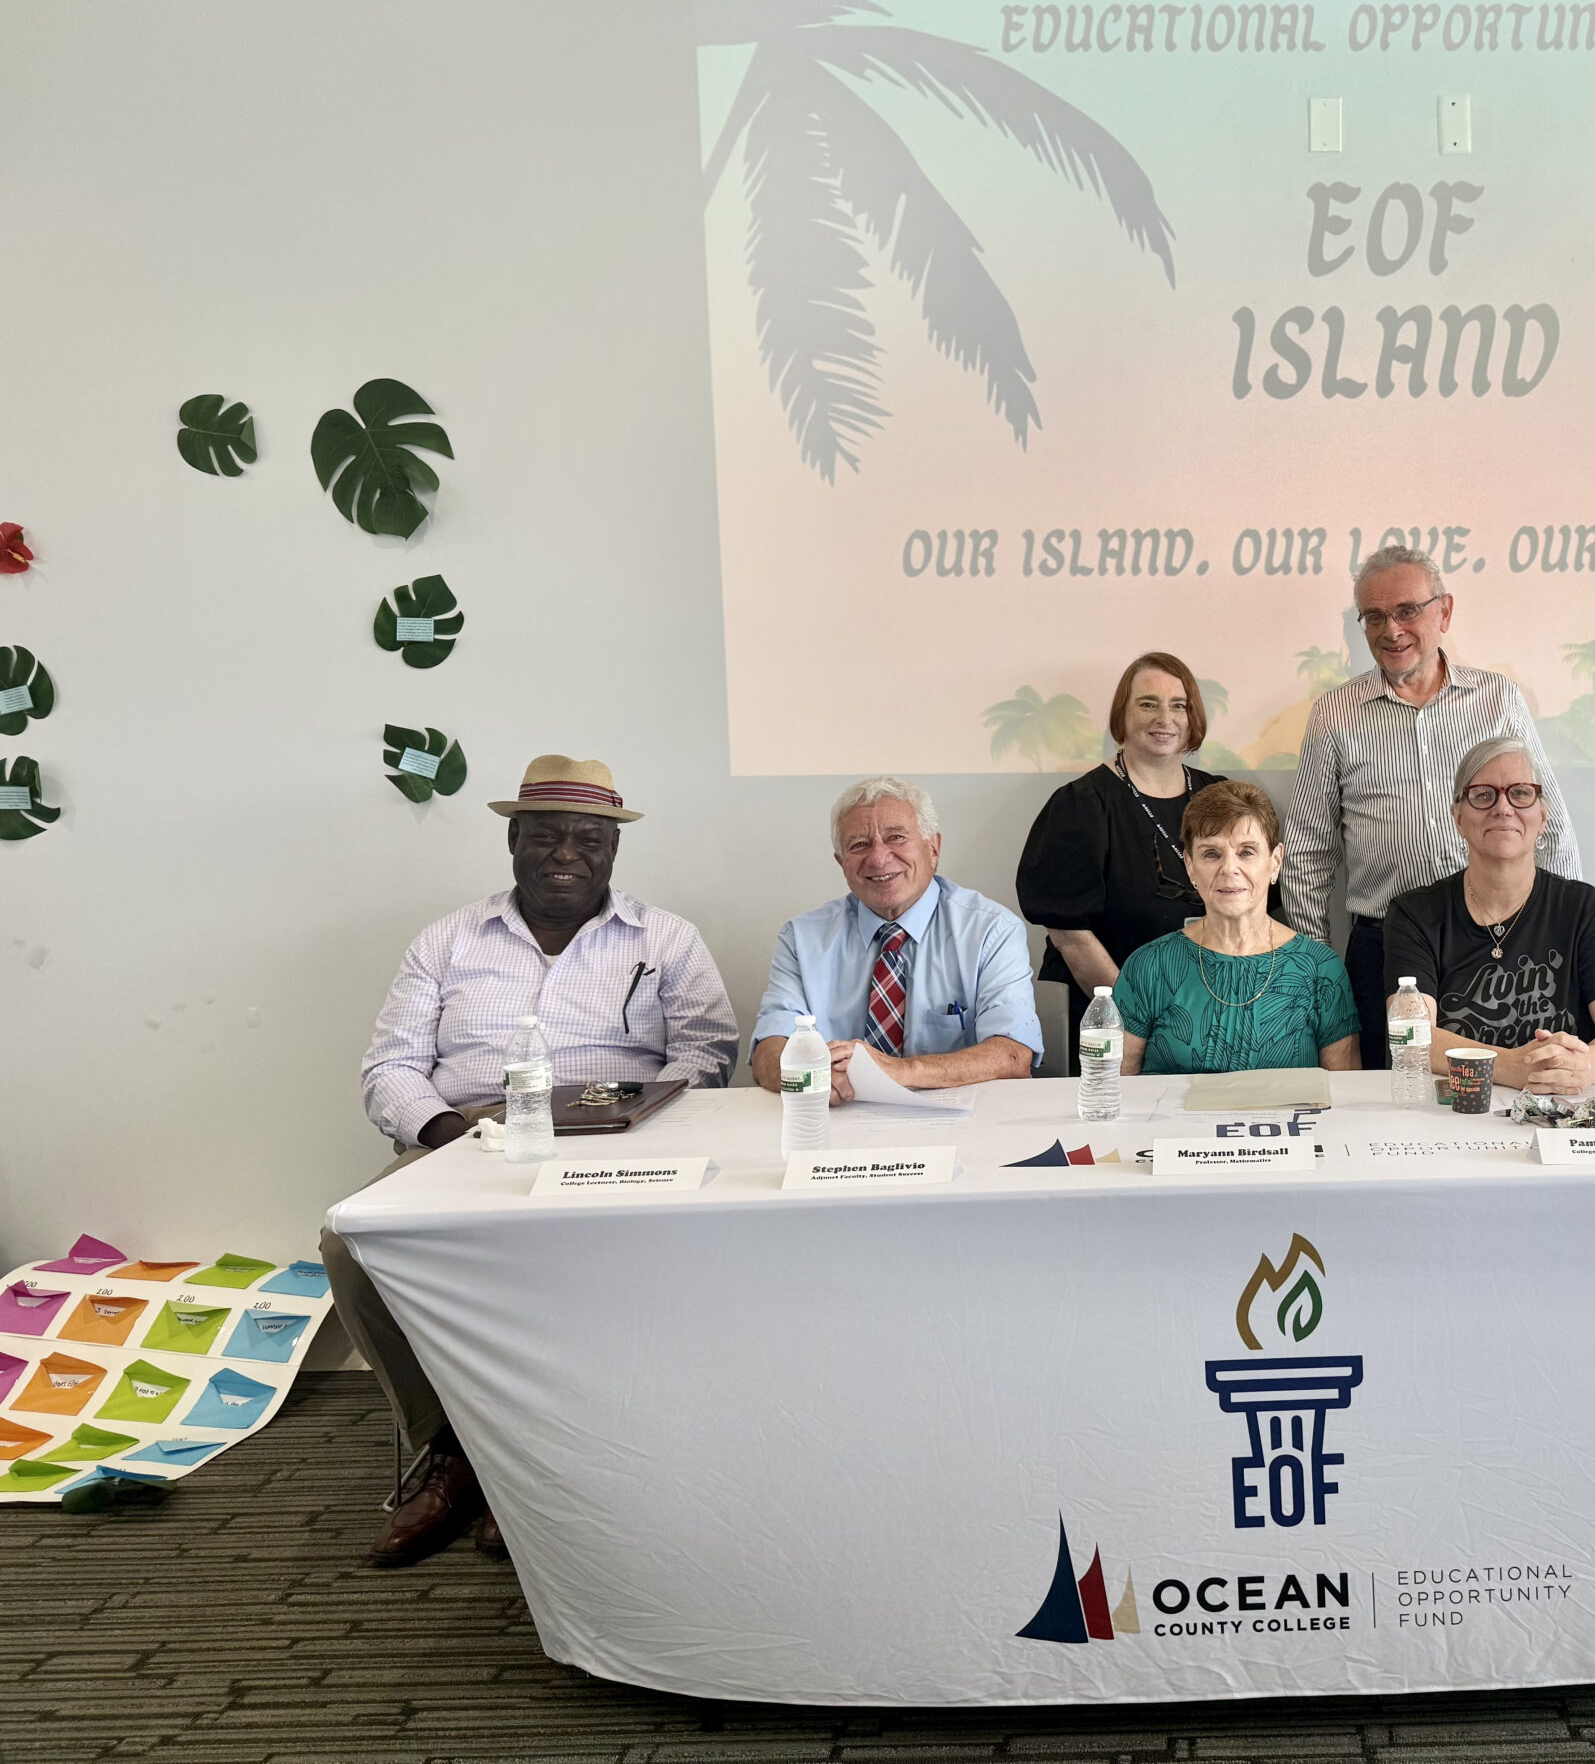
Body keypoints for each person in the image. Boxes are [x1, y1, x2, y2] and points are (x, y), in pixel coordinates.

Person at [329, 756, 740, 1567]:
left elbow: (706, 1051)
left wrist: (637, 1118)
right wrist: (450, 1135)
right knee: (352, 1248)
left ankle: (579, 1455)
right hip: (467, 1131)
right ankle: (460, 1451)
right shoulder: (446, 940)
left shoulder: (667, 939)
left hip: (615, 1132)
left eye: (588, 838)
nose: (567, 853)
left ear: (612, 851)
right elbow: (390, 1069)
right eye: (545, 834)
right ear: (513, 840)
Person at [1281, 543, 1579, 1068]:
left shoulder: (1497, 700)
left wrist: (1557, 933)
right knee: (1388, 1110)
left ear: (1444, 610)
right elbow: (1308, 853)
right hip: (1382, 953)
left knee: (1505, 1097)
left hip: (1501, 948)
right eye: (1374, 616)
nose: (1391, 629)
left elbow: (1546, 822)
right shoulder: (1334, 713)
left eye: (1407, 610)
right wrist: (1317, 973)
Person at [1384, 736, 1595, 1095]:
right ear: (1458, 818)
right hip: (1454, 1109)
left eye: (1521, 793)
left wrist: (1581, 1068)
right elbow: (1414, 1036)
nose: (1503, 808)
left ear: (1542, 816)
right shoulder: (1414, 914)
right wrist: (1508, 1066)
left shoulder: (1586, 909)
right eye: (1483, 794)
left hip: (1564, 1103)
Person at [752, 776, 1041, 1097]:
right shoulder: (802, 938)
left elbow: (1014, 1054)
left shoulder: (991, 930)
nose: (878, 858)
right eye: (859, 845)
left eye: (896, 837)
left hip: (959, 1121)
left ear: (933, 848)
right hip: (838, 1118)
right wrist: (811, 1079)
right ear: (842, 863)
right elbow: (768, 1051)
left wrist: (899, 1071)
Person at [1017, 652, 1234, 1039]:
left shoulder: (1220, 797)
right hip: (1111, 1021)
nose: (1164, 719)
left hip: (1209, 1015)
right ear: (1122, 714)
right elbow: (1071, 937)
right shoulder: (1081, 805)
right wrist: (1138, 1023)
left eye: (1178, 706)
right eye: (1147, 704)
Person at [1114, 780, 1361, 1075]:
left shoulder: (1321, 969)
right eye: (1211, 854)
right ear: (1190, 866)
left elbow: (1343, 1097)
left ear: (1276, 862)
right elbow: (1116, 1091)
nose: (1229, 868)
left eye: (1246, 852)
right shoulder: (1149, 965)